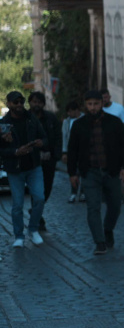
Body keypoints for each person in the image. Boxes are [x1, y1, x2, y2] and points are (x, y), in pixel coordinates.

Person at [67, 90, 124, 255]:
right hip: (89, 172)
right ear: (85, 105)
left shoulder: (114, 122)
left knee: (115, 205)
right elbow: (72, 150)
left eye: (96, 104)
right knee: (92, 207)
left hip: (111, 171)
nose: (93, 107)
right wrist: (72, 173)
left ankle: (107, 229)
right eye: (89, 104)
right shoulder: (78, 125)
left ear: (101, 104)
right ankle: (100, 241)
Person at [0, 91, 47, 247]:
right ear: (8, 104)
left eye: (21, 101)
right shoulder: (3, 123)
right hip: (15, 169)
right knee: (17, 204)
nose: (19, 105)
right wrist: (15, 152)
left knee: (39, 198)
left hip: (33, 166)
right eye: (15, 102)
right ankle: (19, 236)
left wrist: (41, 143)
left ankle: (33, 229)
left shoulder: (31, 118)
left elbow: (44, 136)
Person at [28, 91, 61, 231]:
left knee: (47, 188)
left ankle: (35, 210)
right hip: (31, 159)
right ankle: (38, 218)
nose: (36, 104)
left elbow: (58, 137)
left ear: (43, 103)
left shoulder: (51, 118)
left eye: (39, 102)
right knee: (35, 189)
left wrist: (57, 155)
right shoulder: (25, 118)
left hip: (48, 158)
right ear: (30, 103)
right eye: (34, 101)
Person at [101, 89, 124, 203]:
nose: (104, 100)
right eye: (102, 98)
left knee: (120, 170)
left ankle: (120, 194)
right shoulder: (98, 111)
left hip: (118, 145)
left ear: (109, 96)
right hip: (104, 147)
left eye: (106, 97)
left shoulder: (119, 108)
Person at [61, 100, 85, 203]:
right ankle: (74, 193)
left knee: (84, 172)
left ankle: (83, 193)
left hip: (83, 150)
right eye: (68, 112)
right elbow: (64, 137)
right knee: (73, 172)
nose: (69, 114)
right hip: (72, 151)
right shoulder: (66, 122)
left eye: (71, 111)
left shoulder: (85, 119)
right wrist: (64, 152)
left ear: (76, 110)